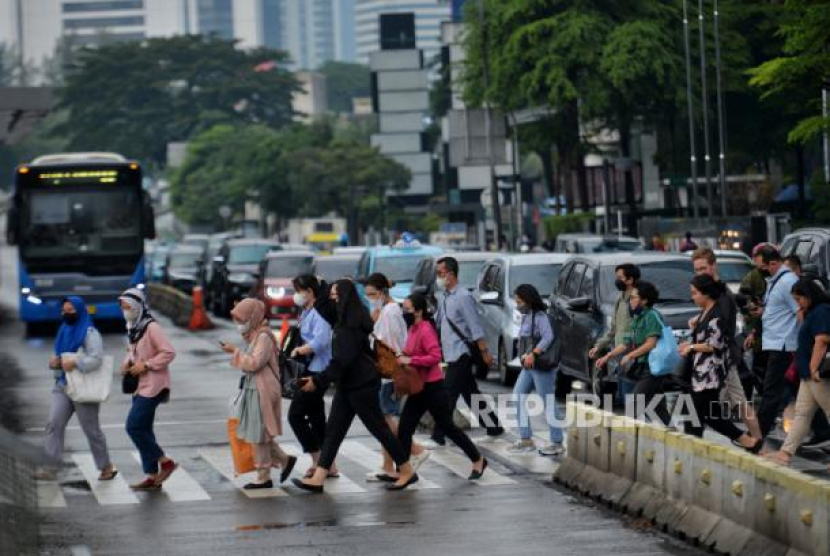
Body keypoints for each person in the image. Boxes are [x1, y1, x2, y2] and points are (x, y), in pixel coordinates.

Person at [292, 280, 418, 492]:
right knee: (333, 431)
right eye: (331, 295)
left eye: (335, 296)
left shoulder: (349, 326)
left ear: (345, 298)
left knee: (379, 429)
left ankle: (406, 470)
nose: (332, 300)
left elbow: (343, 361)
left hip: (361, 386)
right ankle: (319, 477)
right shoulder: (347, 320)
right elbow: (343, 357)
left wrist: (318, 380)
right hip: (349, 384)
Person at [394, 293, 488, 480]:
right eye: (403, 309)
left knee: (448, 427)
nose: (404, 313)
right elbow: (410, 351)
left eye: (407, 310)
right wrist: (400, 355)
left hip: (432, 387)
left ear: (419, 311)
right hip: (418, 387)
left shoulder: (426, 329)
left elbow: (435, 356)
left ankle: (478, 460)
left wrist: (411, 360)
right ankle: (404, 471)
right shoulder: (412, 328)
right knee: (404, 428)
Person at [680, 275, 763, 452]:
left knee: (706, 414)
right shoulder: (705, 312)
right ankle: (692, 450)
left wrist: (692, 347)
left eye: (695, 293)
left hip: (710, 374)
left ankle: (746, 440)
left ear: (706, 294)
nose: (692, 297)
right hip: (701, 372)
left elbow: (714, 345)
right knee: (699, 413)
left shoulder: (716, 315)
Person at [430, 256, 504, 448]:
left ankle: (438, 434)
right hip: (451, 353)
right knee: (470, 393)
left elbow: (475, 326)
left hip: (462, 353)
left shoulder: (463, 297)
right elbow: (438, 322)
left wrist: (485, 352)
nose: (437, 277)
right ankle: (494, 427)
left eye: (440, 273)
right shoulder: (445, 297)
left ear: (451, 274)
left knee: (447, 395)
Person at [41, 297, 116, 481]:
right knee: (54, 424)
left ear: (80, 310)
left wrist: (76, 362)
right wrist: (55, 362)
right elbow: (60, 354)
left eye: (70, 310)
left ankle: (106, 466)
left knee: (91, 430)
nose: (65, 313)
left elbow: (97, 359)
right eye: (63, 310)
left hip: (84, 388)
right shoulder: (64, 329)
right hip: (62, 384)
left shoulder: (90, 332)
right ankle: (50, 467)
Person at [364, 273, 428, 480]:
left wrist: (372, 329)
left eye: (372, 293)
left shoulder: (390, 312)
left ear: (383, 292)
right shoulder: (386, 310)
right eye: (367, 294)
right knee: (384, 420)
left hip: (389, 372)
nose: (369, 298)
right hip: (387, 371)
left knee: (384, 421)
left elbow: (390, 344)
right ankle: (387, 466)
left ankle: (416, 450)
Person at [766, 279, 830, 467]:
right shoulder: (813, 312)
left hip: (815, 374)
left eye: (799, 298)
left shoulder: (821, 311)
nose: (798, 303)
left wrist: (813, 368)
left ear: (809, 295)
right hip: (808, 374)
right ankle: (785, 453)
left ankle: (785, 453)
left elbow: (822, 340)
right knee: (802, 414)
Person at [119, 288, 178, 490]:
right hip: (140, 385)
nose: (124, 310)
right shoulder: (133, 326)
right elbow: (132, 351)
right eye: (122, 307)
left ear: (137, 306)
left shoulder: (152, 327)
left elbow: (169, 352)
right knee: (144, 429)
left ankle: (165, 462)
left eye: (127, 306)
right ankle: (152, 476)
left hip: (154, 385)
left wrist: (146, 365)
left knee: (133, 426)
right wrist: (126, 363)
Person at [286, 274, 337, 479]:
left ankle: (318, 460)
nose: (296, 295)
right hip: (309, 368)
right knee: (316, 417)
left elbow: (321, 341)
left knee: (295, 415)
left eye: (299, 290)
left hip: (318, 369)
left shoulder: (320, 311)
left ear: (310, 291)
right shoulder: (306, 310)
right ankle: (329, 464)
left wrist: (300, 350)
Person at [509, 284, 566, 456]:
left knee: (547, 402)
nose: (517, 304)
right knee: (517, 397)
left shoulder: (540, 316)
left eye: (519, 301)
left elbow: (548, 337)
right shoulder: (528, 316)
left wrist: (534, 353)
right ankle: (526, 439)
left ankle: (557, 442)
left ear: (528, 300)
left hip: (541, 366)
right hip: (529, 365)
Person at [752, 245, 801, 442]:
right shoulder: (776, 281)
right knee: (802, 389)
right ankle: (822, 429)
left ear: (773, 263)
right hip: (776, 343)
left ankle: (758, 432)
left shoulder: (788, 282)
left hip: (783, 345)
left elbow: (799, 311)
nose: (760, 271)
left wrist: (809, 340)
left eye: (762, 267)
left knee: (770, 390)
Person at [619, 281, 672, 425]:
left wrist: (630, 356)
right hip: (644, 368)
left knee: (634, 405)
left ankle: (629, 443)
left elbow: (651, 343)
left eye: (634, 297)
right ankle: (675, 437)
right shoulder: (637, 318)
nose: (630, 301)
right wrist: (607, 356)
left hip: (653, 368)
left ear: (645, 300)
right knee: (659, 408)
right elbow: (626, 343)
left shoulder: (651, 316)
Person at [591, 264, 639, 401]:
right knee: (625, 395)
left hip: (633, 355)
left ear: (630, 280)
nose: (617, 281)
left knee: (631, 398)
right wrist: (599, 346)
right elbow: (613, 328)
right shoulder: (620, 299)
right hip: (620, 354)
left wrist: (614, 353)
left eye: (620, 278)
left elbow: (633, 332)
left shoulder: (636, 301)